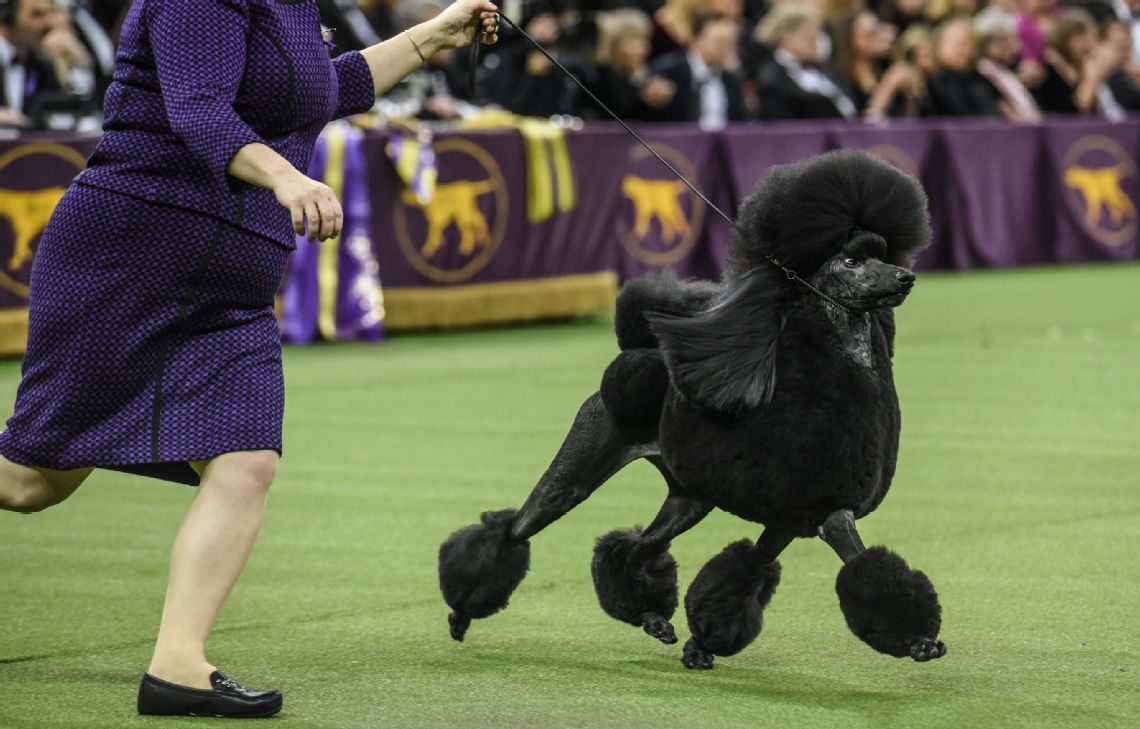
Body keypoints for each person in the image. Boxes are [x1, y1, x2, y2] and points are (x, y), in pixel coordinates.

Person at [0, 0, 499, 719]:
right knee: (32, 482)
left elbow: (328, 88)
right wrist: (287, 179)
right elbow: (199, 111)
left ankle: (178, 665)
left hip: (233, 286)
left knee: (247, 460)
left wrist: (431, 36)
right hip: (128, 257)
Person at [754, 2, 857, 120]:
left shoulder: (827, 69)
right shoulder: (772, 78)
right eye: (810, 38)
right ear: (787, 37)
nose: (816, 44)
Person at [648, 11, 748, 127]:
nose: (727, 48)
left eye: (731, 43)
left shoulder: (732, 79)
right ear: (697, 39)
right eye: (720, 42)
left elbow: (741, 124)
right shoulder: (667, 71)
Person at [588, 8, 676, 121]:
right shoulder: (601, 76)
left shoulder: (645, 75)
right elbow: (618, 115)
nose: (642, 49)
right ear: (614, 44)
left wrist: (658, 101)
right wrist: (644, 99)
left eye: (644, 41)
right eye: (632, 41)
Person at [1032, 10, 1122, 114]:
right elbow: (1082, 106)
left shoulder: (1084, 68)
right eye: (1082, 38)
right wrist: (1093, 77)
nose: (1088, 44)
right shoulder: (1050, 70)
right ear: (1066, 40)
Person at [974, 8, 1044, 122]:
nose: (1011, 47)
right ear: (985, 43)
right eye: (1002, 41)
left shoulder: (1009, 69)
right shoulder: (981, 73)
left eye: (1012, 40)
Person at [0, 0, 62, 127]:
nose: (48, 24)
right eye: (36, 14)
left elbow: (58, 114)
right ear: (8, 19)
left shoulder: (43, 65)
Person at [831, 8, 896, 111]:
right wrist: (890, 85)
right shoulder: (839, 77)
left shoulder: (886, 66)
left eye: (879, 31)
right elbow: (862, 121)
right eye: (870, 34)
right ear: (851, 39)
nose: (881, 38)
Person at [866, 23, 934, 120]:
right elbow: (875, 110)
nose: (931, 55)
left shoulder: (928, 77)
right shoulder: (900, 72)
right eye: (926, 52)